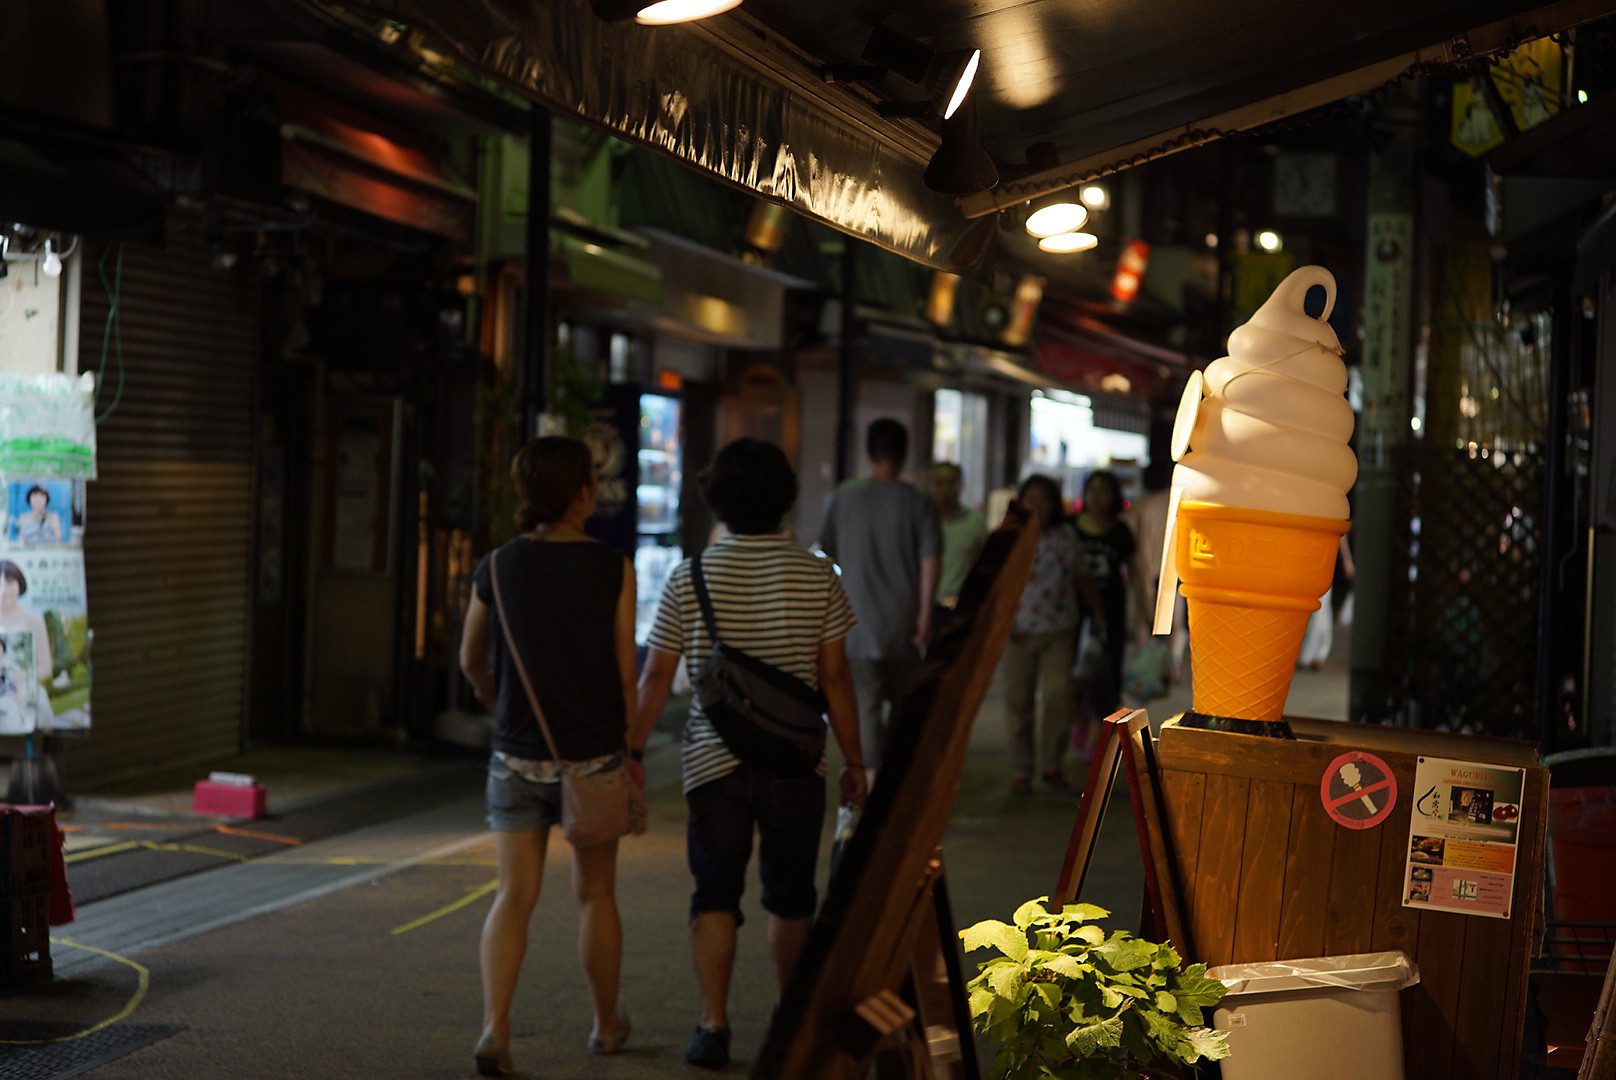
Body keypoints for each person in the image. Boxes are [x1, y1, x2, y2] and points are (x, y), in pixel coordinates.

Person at [636, 438, 866, 1071]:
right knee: (790, 895)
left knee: (714, 892)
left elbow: (656, 678)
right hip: (796, 760)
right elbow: (836, 679)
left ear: (717, 500)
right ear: (785, 499)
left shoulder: (689, 576)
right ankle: (788, 1019)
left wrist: (631, 751)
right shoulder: (818, 575)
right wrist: (855, 760)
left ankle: (712, 1024)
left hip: (714, 762)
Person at [458, 436, 637, 1077]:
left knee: (513, 896)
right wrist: (629, 749)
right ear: (582, 494)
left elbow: (470, 659)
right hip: (592, 757)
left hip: (516, 757)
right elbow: (625, 674)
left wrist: (491, 692)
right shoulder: (612, 567)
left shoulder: (498, 565)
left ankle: (495, 1027)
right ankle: (605, 1024)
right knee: (596, 895)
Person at [816, 419, 941, 770]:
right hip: (905, 621)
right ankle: (897, 773)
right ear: (905, 453)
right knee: (905, 702)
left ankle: (870, 774)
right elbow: (930, 561)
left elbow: (828, 550)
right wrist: (925, 615)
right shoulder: (919, 501)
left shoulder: (843, 496)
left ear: (869, 452)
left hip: (855, 621)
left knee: (865, 703)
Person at [1002, 475, 1104, 793]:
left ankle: (1051, 765)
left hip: (1059, 630)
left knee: (1058, 697)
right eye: (1030, 499)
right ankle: (1021, 769)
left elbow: (1083, 578)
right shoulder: (1008, 537)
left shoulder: (1066, 537)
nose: (1037, 506)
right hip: (1016, 632)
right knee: (1018, 701)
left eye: (1043, 499)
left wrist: (1098, 613)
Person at [1073, 471, 1149, 738]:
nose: (1097, 496)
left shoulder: (1120, 531)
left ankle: (1099, 734)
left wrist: (1144, 611)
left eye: (1104, 490)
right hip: (1074, 611)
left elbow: (1135, 572)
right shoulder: (1071, 527)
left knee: (1108, 673)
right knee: (1076, 673)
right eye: (1092, 489)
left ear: (1115, 496)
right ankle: (1080, 727)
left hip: (1111, 611)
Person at [931, 462, 989, 625]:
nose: (945, 489)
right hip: (927, 606)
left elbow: (985, 563)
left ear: (960, 486)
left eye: (951, 483)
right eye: (939, 483)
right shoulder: (922, 523)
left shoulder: (975, 522)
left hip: (962, 608)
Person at [0, 561, 51, 688]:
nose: (3, 590)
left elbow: (46, 668)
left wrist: (22, 678)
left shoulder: (34, 620)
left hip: (27, 693)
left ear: (19, 584)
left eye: (9, 582)